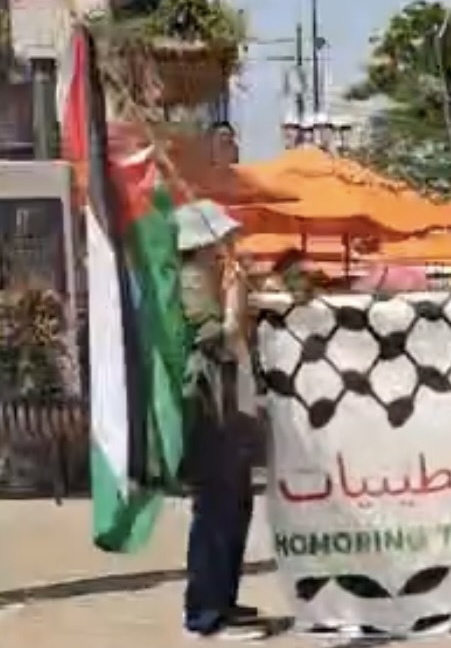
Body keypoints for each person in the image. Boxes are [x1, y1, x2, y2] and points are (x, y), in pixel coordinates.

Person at [176, 200, 264, 640]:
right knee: (216, 511)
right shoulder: (192, 279)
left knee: (236, 508)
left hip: (230, 408)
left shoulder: (216, 276)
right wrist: (233, 308)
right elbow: (211, 339)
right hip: (209, 409)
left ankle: (223, 601)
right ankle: (206, 613)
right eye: (225, 237)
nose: (232, 243)